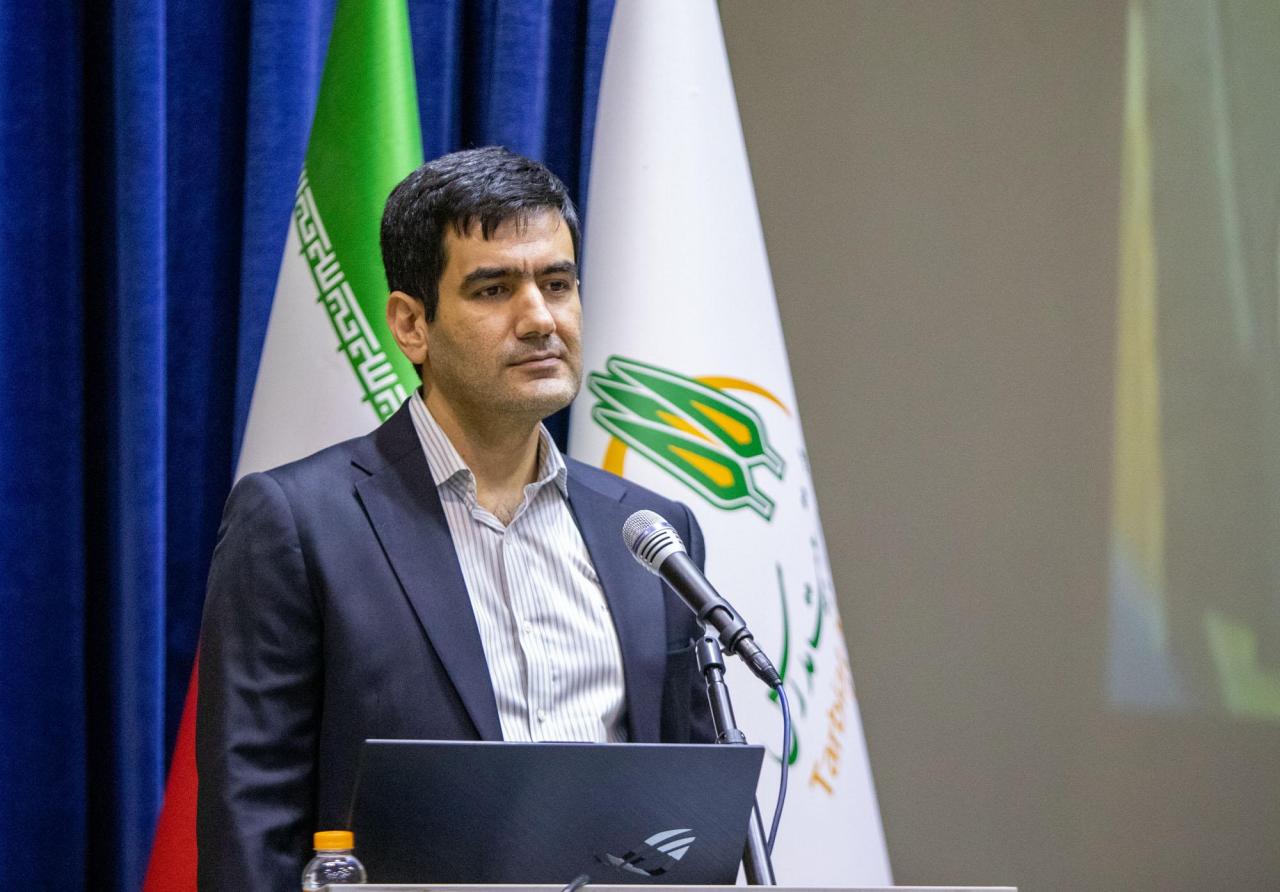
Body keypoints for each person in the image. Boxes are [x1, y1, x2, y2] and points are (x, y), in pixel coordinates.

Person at [195, 146, 714, 891]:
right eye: (494, 289)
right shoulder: (297, 523)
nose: (539, 319)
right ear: (411, 325)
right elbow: (251, 826)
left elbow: (691, 808)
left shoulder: (653, 533)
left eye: (558, 284)